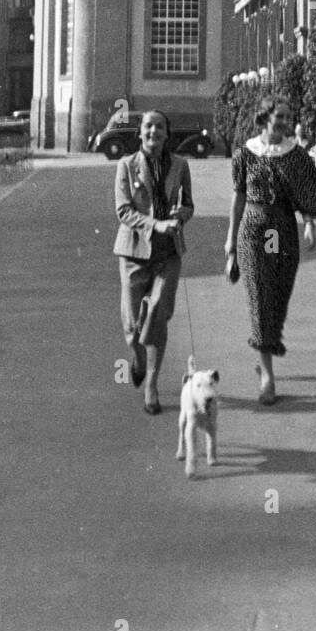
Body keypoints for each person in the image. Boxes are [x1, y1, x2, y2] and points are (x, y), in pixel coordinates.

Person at [225, 98, 316, 404]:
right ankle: (267, 375)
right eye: (279, 116)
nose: (284, 121)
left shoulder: (296, 156)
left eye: (288, 116)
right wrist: (230, 241)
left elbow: (307, 191)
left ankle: (266, 348)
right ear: (265, 118)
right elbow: (238, 198)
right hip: (254, 230)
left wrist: (309, 223)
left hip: (281, 230)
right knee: (260, 296)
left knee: (278, 298)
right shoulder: (245, 153)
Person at [113, 110, 194, 415]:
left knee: (158, 318)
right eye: (148, 126)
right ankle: (137, 355)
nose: (153, 132)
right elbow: (123, 211)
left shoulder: (180, 165)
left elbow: (188, 205)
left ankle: (151, 385)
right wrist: (154, 224)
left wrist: (178, 217)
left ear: (166, 133)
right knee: (133, 326)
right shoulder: (126, 165)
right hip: (134, 252)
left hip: (168, 252)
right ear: (140, 132)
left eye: (160, 127)